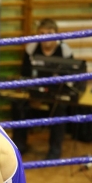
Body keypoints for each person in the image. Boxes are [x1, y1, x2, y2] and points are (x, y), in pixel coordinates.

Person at [11, 18, 73, 160]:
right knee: (18, 104)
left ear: (56, 34)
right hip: (33, 91)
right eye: (42, 33)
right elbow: (24, 73)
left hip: (56, 93)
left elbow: (70, 76)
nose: (45, 37)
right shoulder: (31, 48)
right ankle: (20, 146)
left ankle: (54, 151)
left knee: (60, 109)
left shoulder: (65, 50)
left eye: (49, 33)